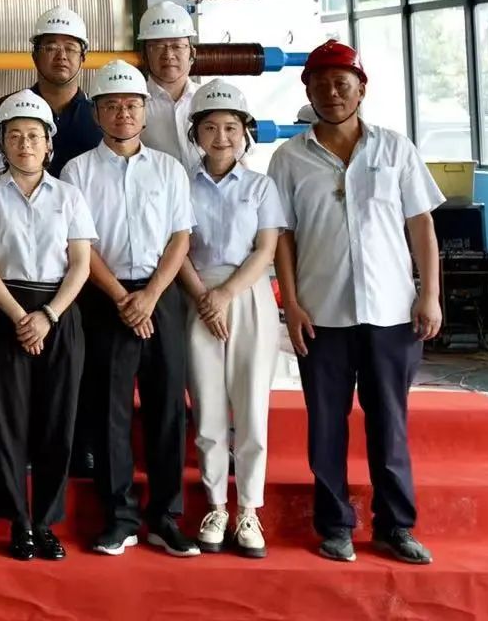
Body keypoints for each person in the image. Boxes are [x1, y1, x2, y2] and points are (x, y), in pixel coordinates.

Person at [271, 39, 442, 566]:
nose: (332, 92)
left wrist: (430, 294)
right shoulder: (288, 159)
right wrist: (291, 305)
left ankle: (396, 526)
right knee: (326, 424)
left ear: (361, 88)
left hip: (392, 312)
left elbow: (421, 224)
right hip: (322, 315)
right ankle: (335, 526)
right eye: (320, 84)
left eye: (342, 83)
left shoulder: (395, 149)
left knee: (389, 422)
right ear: (308, 91)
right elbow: (282, 237)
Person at [62, 62, 199, 557]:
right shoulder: (77, 172)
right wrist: (122, 298)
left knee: (167, 409)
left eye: (132, 105)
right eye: (113, 105)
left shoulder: (169, 169)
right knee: (109, 411)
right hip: (104, 300)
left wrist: (151, 296)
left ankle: (165, 516)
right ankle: (119, 518)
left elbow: (180, 237)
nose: (123, 113)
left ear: (145, 112)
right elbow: (80, 244)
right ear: (97, 113)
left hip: (162, 299)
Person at [0, 90, 94, 562]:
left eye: (34, 136)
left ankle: (45, 522)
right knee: (10, 422)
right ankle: (18, 522)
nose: (25, 145)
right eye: (15, 136)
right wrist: (21, 317)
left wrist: (48, 316)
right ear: (2, 143)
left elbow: (80, 264)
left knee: (57, 422)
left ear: (49, 144)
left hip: (60, 311)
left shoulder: (69, 196)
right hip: (7, 312)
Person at [175, 79, 284, 558]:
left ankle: (249, 511)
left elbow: (266, 250)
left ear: (245, 133)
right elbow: (177, 247)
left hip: (249, 295)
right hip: (196, 295)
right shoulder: (180, 183)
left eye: (231, 128)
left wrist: (225, 295)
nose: (221, 137)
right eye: (211, 128)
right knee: (208, 407)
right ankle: (217, 505)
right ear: (196, 133)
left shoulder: (261, 186)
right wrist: (205, 297)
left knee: (252, 406)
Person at [0, 6, 103, 178]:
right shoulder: (8, 107)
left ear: (83, 57)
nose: (61, 56)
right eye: (51, 48)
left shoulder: (99, 113)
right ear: (35, 56)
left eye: (70, 48)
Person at [138, 2, 200, 170]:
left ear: (192, 53)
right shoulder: (133, 106)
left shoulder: (209, 101)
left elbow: (239, 162)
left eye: (177, 46)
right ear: (144, 55)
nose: (168, 55)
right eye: (158, 46)